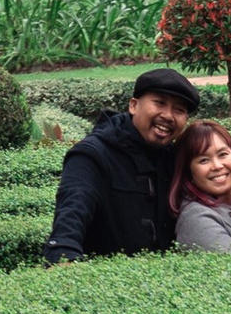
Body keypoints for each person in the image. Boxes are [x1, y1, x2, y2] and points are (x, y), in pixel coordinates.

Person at [44, 64, 199, 262]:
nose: (168, 116)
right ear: (133, 105)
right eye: (159, 103)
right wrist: (64, 257)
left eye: (179, 110)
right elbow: (70, 218)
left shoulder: (175, 156)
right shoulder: (92, 155)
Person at [169, 112, 231, 252]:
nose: (217, 166)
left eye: (223, 154)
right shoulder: (196, 218)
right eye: (204, 160)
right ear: (188, 172)